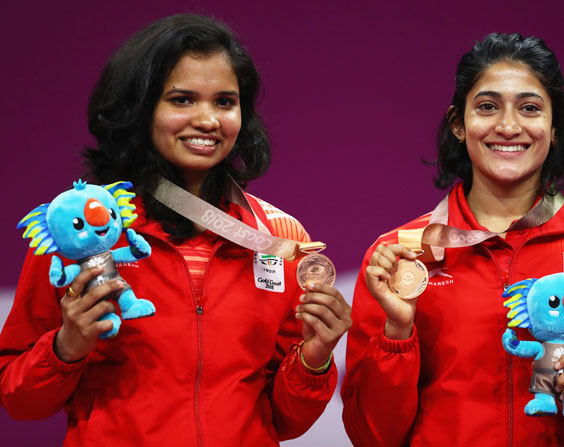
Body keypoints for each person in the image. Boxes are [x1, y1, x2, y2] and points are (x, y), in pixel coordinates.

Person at [0, 14, 351, 446]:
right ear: (141, 109)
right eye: (182, 100)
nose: (207, 119)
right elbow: (20, 400)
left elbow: (283, 421)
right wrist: (66, 347)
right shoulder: (81, 228)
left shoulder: (278, 237)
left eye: (225, 102)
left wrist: (314, 359)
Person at [341, 33, 564, 446]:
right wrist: (398, 331)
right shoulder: (403, 254)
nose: (509, 126)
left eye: (530, 108)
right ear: (459, 125)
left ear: (554, 128)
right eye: (487, 107)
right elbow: (370, 436)